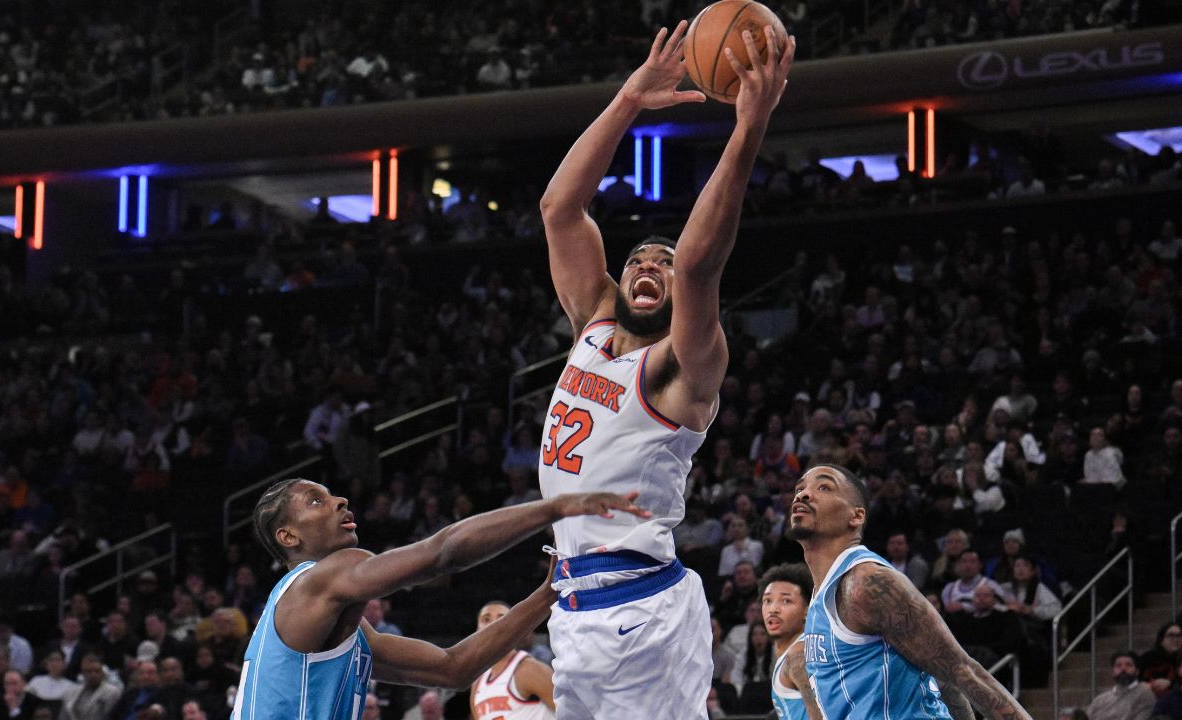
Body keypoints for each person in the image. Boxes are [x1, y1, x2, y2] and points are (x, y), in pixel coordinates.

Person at [536, 19, 794, 719]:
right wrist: (627, 101)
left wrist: (747, 129)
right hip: (576, 604)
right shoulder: (593, 322)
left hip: (641, 605)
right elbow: (561, 209)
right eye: (639, 260)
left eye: (665, 263)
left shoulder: (684, 365)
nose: (652, 264)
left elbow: (705, 259)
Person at [236, 478, 646, 719]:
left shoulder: (346, 633)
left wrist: (548, 594)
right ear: (288, 537)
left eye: (330, 494)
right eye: (315, 501)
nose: (339, 501)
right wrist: (555, 508)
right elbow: (441, 554)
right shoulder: (315, 582)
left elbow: (452, 669)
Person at [788, 464, 1028, 718]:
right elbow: (940, 676)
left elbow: (961, 670)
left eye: (824, 487)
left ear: (856, 516)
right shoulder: (818, 598)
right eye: (800, 488)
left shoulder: (867, 583)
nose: (802, 494)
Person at [469, 600, 556, 719]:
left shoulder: (529, 670)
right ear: (477, 630)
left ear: (514, 628)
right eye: (486, 619)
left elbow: (575, 713)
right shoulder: (477, 685)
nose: (493, 624)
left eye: (501, 618)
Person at [759, 563, 818, 720]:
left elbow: (824, 715)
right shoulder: (791, 654)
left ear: (807, 610)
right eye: (768, 601)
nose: (773, 609)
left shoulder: (799, 654)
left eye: (786, 601)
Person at [1086, 652, 1155, 720]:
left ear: (1137, 672)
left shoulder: (1145, 693)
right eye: (1118, 665)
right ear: (1112, 672)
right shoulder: (1099, 700)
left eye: (1128, 665)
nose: (1123, 668)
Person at [58, 654, 122, 720]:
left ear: (102, 673)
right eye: (89, 671)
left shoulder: (112, 692)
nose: (93, 675)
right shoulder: (71, 692)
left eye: (97, 671)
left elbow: (113, 717)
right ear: (83, 673)